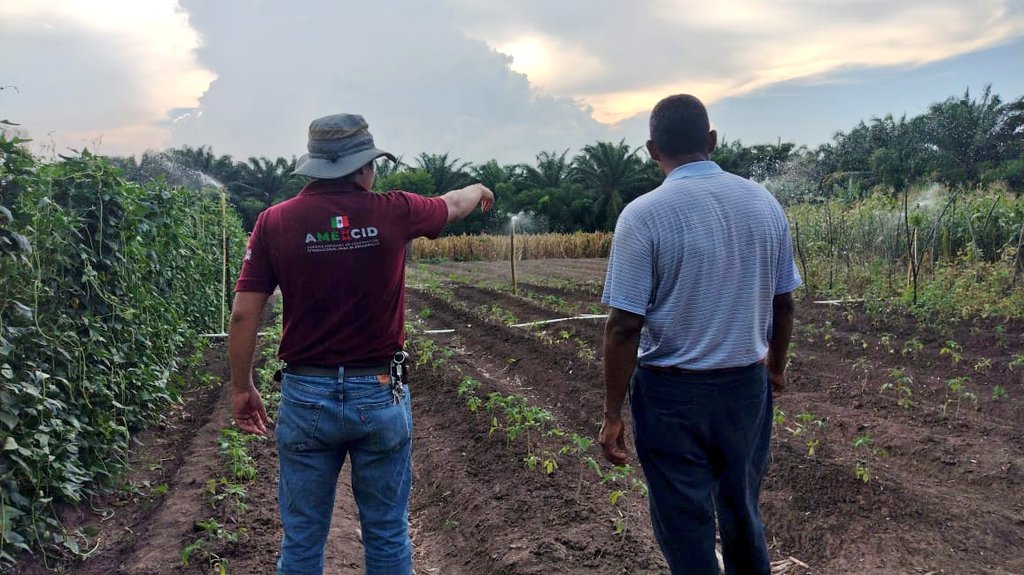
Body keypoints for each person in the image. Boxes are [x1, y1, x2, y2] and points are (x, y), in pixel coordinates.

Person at [227, 113, 493, 575]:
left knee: (303, 539)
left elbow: (244, 312)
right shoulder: (394, 210)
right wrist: (479, 189)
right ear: (365, 167)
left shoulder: (275, 222)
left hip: (306, 395)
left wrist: (241, 386)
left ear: (312, 166)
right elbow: (450, 204)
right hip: (379, 392)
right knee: (387, 533)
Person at [598, 94, 801, 575]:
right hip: (744, 390)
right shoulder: (764, 203)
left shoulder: (643, 215)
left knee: (683, 520)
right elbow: (784, 302)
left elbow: (625, 325)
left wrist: (612, 413)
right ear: (712, 140)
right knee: (742, 510)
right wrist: (775, 367)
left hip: (671, 396)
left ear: (652, 150)